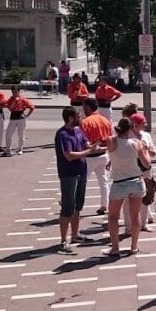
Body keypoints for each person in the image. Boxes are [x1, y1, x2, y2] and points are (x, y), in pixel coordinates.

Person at [55, 106, 101, 253]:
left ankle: (75, 235)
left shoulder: (78, 131)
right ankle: (63, 240)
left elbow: (88, 146)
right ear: (70, 118)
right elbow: (69, 155)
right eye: (78, 116)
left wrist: (105, 147)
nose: (80, 118)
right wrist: (88, 151)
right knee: (67, 207)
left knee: (78, 205)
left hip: (81, 172)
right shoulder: (63, 134)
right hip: (69, 174)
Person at [104, 117, 149, 256]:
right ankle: (134, 246)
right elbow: (147, 164)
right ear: (130, 129)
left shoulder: (112, 141)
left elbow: (113, 149)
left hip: (119, 183)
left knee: (113, 216)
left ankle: (115, 247)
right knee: (135, 215)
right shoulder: (136, 143)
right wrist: (144, 149)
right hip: (136, 181)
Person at [80, 99, 114, 215]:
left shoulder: (85, 122)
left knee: (82, 182)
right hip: (104, 155)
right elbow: (111, 139)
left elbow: (82, 142)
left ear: (89, 108)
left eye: (84, 107)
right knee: (103, 181)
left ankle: (77, 205)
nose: (83, 109)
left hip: (89, 156)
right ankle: (105, 205)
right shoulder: (105, 121)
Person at [4, 85, 35, 156]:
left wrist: (27, 115)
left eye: (16, 92)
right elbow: (10, 108)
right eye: (13, 92)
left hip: (21, 118)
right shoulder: (10, 99)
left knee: (21, 134)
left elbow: (32, 107)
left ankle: (20, 149)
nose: (14, 94)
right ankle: (8, 148)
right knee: (8, 134)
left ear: (19, 91)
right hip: (13, 117)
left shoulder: (23, 99)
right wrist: (14, 101)